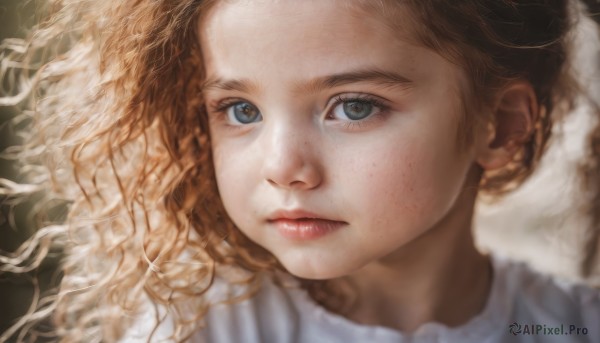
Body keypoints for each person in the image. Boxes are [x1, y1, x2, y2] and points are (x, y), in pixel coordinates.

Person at [1, 0, 599, 342]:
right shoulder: (203, 329)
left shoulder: (573, 327)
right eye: (241, 111)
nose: (283, 167)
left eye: (355, 106)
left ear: (500, 126)